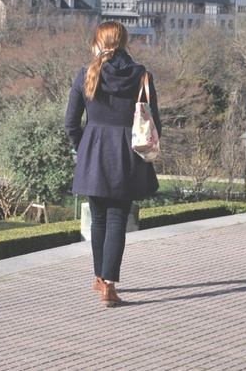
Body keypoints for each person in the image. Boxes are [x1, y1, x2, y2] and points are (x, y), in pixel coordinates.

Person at [65, 21, 160, 307]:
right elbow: (154, 122)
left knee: (99, 219)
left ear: (98, 43)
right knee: (117, 219)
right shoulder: (141, 76)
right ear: (124, 42)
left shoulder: (86, 74)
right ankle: (108, 283)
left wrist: (83, 148)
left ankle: (100, 278)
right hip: (127, 156)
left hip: (93, 154)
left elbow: (71, 123)